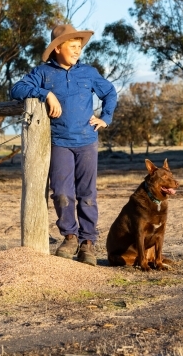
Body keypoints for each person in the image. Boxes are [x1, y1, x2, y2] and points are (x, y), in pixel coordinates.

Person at [11, 24, 117, 266]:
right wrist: (46, 94)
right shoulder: (43, 73)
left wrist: (105, 118)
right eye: (73, 46)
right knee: (61, 193)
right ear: (58, 48)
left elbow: (110, 93)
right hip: (59, 143)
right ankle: (70, 237)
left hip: (87, 142)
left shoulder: (89, 73)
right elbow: (17, 89)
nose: (77, 50)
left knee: (87, 194)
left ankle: (87, 242)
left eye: (79, 46)